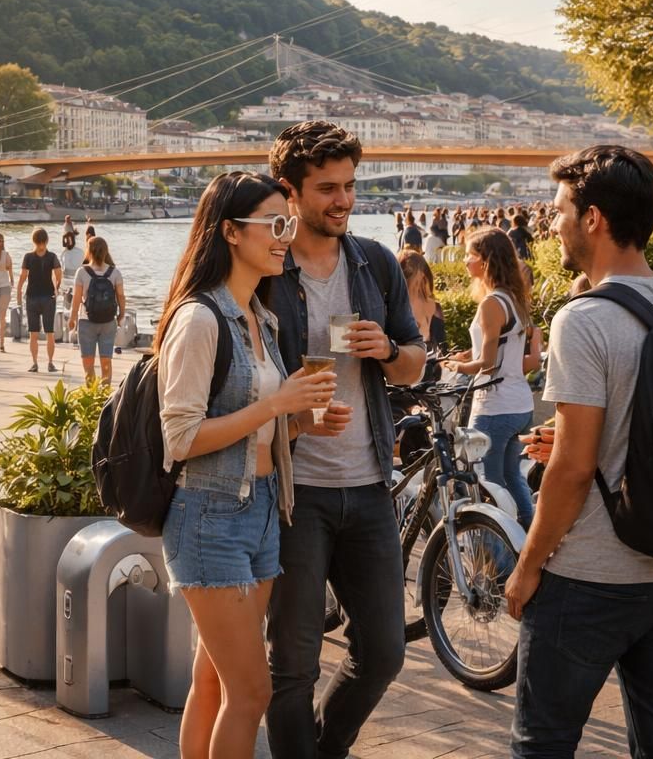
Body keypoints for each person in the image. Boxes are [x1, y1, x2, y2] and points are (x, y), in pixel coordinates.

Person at [507, 146, 653, 758]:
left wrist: (528, 566)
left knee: (541, 744)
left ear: (593, 218)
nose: (551, 223)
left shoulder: (584, 319)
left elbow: (572, 471)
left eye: (559, 210)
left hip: (592, 578)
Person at [156, 171, 350, 759]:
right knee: (252, 690)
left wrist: (299, 419)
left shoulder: (260, 319)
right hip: (210, 516)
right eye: (275, 224)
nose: (285, 237)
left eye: (286, 224)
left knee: (215, 681)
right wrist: (275, 404)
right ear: (231, 233)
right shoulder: (198, 320)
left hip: (264, 511)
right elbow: (180, 437)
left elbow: (260, 426)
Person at [263, 121, 427, 759]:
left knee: (384, 652)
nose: (343, 200)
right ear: (291, 191)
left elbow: (416, 362)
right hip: (294, 492)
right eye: (327, 188)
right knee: (293, 665)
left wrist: (387, 349)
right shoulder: (265, 271)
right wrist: (295, 416)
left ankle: (327, 750)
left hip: (367, 486)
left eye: (350, 186)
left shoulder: (376, 263)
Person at [444, 228, 538, 528]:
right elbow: (503, 354)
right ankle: (529, 541)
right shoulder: (514, 298)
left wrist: (453, 366)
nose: (465, 262)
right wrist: (466, 358)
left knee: (485, 486)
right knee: (512, 477)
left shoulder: (491, 304)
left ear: (485, 261)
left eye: (469, 256)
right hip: (520, 403)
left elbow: (486, 364)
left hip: (494, 406)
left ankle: (499, 563)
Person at [66, 235, 125, 383]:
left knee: (88, 364)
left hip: (86, 322)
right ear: (106, 252)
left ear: (89, 252)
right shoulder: (114, 272)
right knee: (106, 362)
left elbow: (77, 299)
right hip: (108, 322)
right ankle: (104, 398)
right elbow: (121, 296)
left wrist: (72, 319)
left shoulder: (82, 272)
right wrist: (121, 315)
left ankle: (91, 396)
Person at [15, 227, 62, 374]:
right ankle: (50, 363)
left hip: (32, 297)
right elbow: (59, 275)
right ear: (46, 240)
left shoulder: (28, 257)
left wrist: (18, 292)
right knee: (50, 333)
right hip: (48, 297)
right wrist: (57, 288)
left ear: (33, 240)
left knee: (33, 333)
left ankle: (35, 363)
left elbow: (22, 277)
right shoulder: (52, 256)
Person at [59, 231, 85, 311]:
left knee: (68, 305)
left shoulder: (63, 254)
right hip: (75, 282)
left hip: (69, 283)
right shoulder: (80, 252)